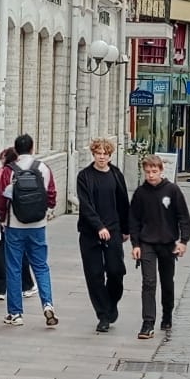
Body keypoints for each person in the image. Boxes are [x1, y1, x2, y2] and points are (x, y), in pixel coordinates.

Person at [127, 154, 190, 338]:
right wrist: (136, 243)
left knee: (167, 282)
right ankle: (148, 322)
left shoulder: (172, 191)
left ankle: (167, 313)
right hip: (147, 242)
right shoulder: (140, 193)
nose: (151, 175)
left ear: (161, 171)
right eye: (147, 172)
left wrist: (183, 241)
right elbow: (134, 220)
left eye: (154, 172)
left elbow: (183, 217)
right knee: (148, 282)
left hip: (167, 243)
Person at [0, 132, 58, 327]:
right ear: (33, 148)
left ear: (16, 150)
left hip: (14, 225)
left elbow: (1, 199)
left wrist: (1, 218)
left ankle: (15, 313)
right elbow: (51, 195)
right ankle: (48, 304)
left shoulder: (9, 170)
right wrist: (46, 211)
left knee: (14, 268)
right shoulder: (43, 168)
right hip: (38, 226)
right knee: (41, 266)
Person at [75, 138, 133, 332]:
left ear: (110, 155)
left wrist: (126, 229)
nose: (101, 157)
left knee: (116, 271)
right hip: (91, 232)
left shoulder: (116, 174)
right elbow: (86, 205)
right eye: (98, 153)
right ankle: (103, 315)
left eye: (105, 154)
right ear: (93, 154)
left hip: (114, 229)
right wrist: (99, 226)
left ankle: (111, 303)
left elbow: (124, 202)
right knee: (95, 274)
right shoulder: (84, 176)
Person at [0, 146, 36, 302]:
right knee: (21, 252)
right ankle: (26, 285)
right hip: (17, 218)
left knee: (0, 252)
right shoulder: (20, 174)